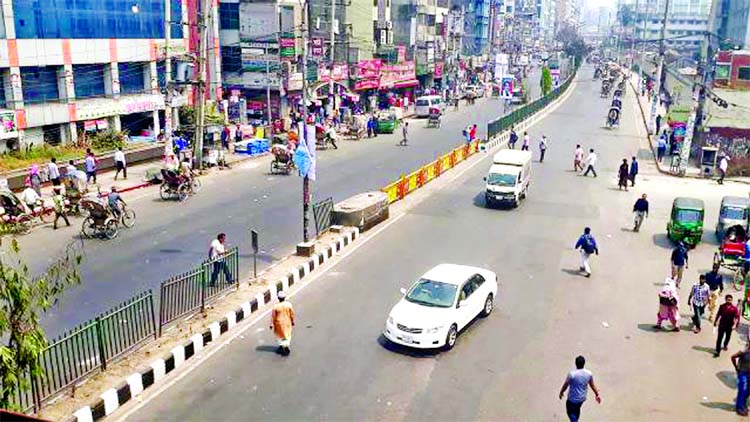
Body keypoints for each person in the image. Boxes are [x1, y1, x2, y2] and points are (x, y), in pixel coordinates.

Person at [558, 355, 601, 422]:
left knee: (570, 413)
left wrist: (561, 392)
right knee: (577, 410)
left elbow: (565, 385)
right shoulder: (589, 373)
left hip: (572, 399)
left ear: (575, 364)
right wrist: (597, 394)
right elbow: (592, 385)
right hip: (582, 398)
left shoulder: (572, 374)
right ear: (584, 363)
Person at [270, 291, 295, 356]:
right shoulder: (289, 305)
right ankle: (284, 346)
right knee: (287, 335)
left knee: (280, 336)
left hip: (279, 324)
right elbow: (292, 314)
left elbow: (273, 316)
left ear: (278, 298)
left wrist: (271, 324)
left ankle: (283, 347)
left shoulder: (276, 307)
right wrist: (292, 321)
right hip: (287, 322)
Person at [732, 343, 750, 416]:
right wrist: (736, 367)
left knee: (748, 390)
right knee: (742, 389)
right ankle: (739, 408)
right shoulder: (744, 352)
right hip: (743, 373)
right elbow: (733, 357)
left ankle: (743, 403)